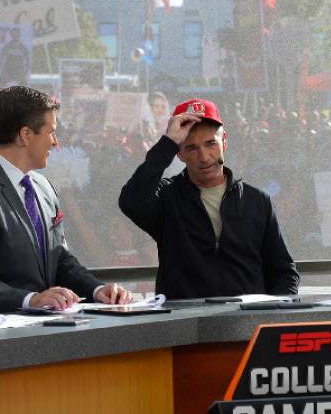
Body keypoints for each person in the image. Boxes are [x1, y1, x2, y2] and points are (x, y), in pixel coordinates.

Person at [0, 86, 132, 313]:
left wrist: (97, 289)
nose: (56, 142)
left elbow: (59, 258)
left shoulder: (43, 186)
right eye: (51, 132)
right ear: (25, 135)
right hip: (5, 339)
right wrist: (31, 299)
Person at [119, 98, 299, 299]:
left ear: (224, 142)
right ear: (179, 154)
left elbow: (283, 272)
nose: (204, 157)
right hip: (185, 324)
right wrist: (167, 143)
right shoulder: (166, 198)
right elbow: (131, 201)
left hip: (247, 323)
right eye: (192, 148)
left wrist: (275, 315)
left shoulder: (257, 201)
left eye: (210, 143)